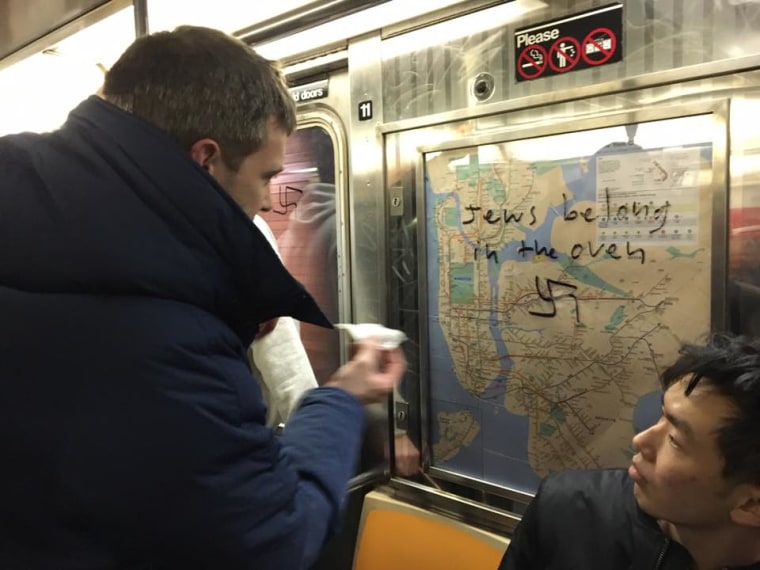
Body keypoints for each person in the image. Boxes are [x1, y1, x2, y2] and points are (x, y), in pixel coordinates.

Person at [0, 26, 405, 569]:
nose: (265, 201)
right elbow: (272, 540)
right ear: (205, 159)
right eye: (264, 176)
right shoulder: (172, 339)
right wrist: (340, 400)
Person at [500, 333, 760, 570]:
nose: (641, 440)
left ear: (751, 504)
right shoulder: (565, 511)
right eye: (662, 416)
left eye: (674, 439)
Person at [250, 214, 318, 427]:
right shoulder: (246, 223)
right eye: (263, 180)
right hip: (246, 430)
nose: (268, 202)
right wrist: (312, 428)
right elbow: (280, 349)